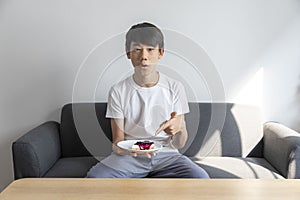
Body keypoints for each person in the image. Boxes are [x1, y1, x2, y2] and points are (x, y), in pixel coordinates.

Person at [86, 22, 209, 178]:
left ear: (161, 53)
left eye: (150, 49)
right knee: (95, 178)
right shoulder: (118, 91)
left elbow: (179, 144)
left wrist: (179, 129)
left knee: (200, 178)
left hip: (167, 156)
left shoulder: (175, 87)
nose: (144, 56)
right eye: (137, 49)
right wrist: (134, 150)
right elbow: (117, 143)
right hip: (130, 157)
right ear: (128, 53)